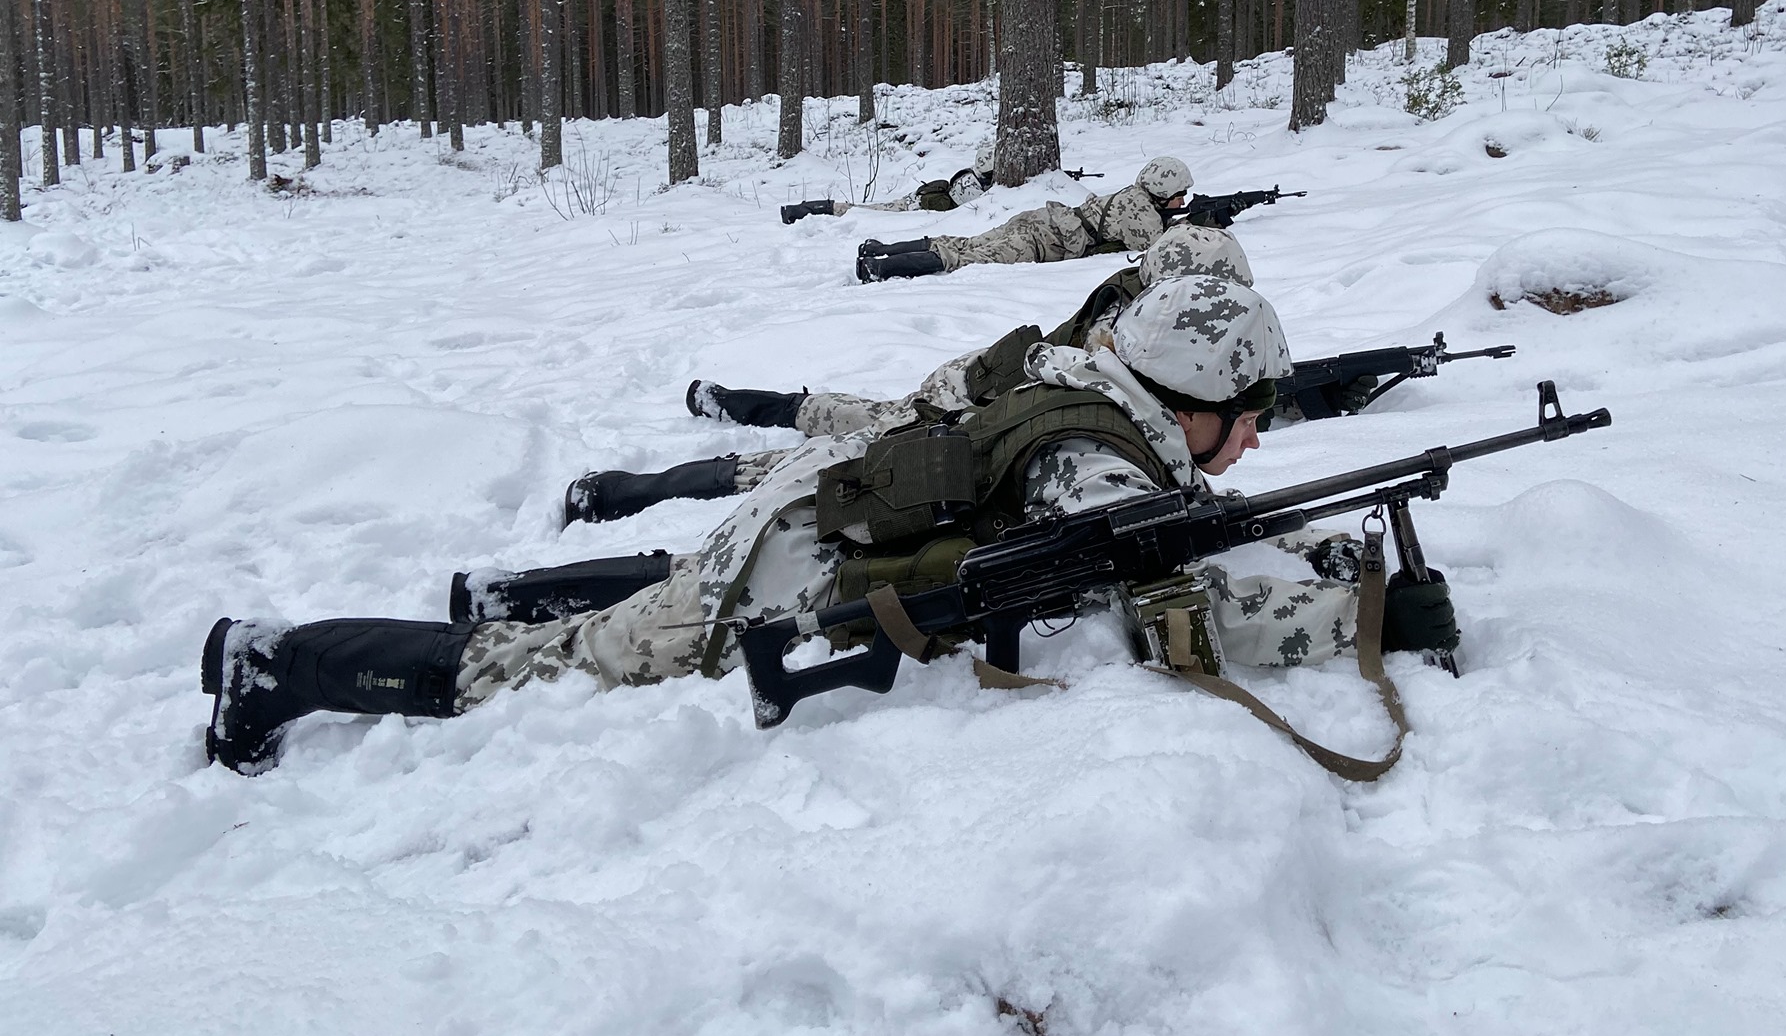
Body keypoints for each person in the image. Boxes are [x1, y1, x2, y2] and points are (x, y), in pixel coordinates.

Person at [199, 275, 1428, 776]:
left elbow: (1175, 527)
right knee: (551, 673)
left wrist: (1313, 542)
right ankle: (272, 662)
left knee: (664, 591)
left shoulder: (1096, 394)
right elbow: (1173, 610)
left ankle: (507, 585)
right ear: (1189, 399)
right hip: (787, 563)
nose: (1258, 435)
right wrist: (1361, 614)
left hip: (821, 510)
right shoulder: (1082, 452)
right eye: (1248, 413)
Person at [560, 228, 1256, 526]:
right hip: (973, 409)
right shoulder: (1137, 329)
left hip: (981, 396)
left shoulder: (1151, 318)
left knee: (854, 417)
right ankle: (635, 488)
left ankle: (738, 401)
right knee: (826, 460)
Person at [856, 155, 1193, 283]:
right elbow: (1159, 247)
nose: (1182, 201)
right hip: (1044, 241)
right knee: (969, 256)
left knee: (966, 242)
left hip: (1038, 219)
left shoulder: (1130, 194)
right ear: (1163, 192)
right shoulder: (1142, 211)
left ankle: (881, 248)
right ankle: (881, 268)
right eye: (1180, 195)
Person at [781, 143, 995, 225]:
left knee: (862, 210)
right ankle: (805, 210)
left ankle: (804, 210)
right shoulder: (973, 183)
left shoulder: (971, 174)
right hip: (914, 206)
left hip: (916, 201)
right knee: (859, 211)